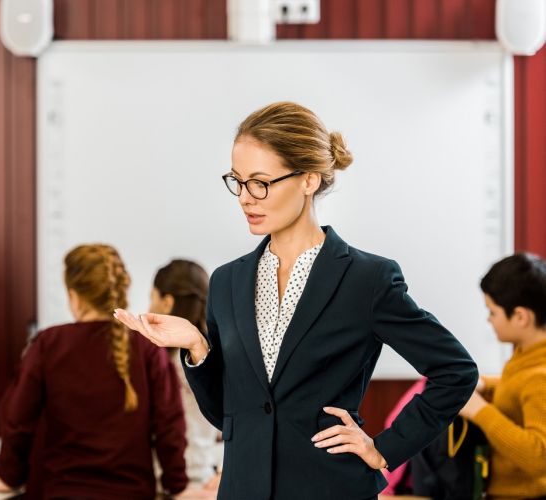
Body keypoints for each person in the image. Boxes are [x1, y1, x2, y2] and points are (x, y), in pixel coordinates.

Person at [114, 101, 478, 499]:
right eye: (238, 181)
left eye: (261, 182)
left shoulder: (366, 279)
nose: (245, 198)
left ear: (309, 180)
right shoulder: (226, 283)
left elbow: (455, 371)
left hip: (331, 487)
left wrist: (384, 450)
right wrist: (197, 347)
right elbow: (228, 416)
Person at [0, 244, 188, 499]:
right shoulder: (148, 348)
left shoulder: (48, 344)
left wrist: (8, 476)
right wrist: (177, 486)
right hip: (131, 493)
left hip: (58, 492)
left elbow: (18, 419)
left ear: (74, 295)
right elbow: (169, 425)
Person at [459, 253, 546, 499]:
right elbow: (519, 386)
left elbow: (540, 457)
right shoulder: (527, 357)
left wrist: (479, 412)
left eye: (492, 311)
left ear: (520, 316)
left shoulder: (539, 378)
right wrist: (487, 384)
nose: (489, 319)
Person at [149, 259, 222, 488]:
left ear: (167, 302)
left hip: (168, 481)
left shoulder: (161, 362)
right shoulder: (212, 355)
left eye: (152, 298)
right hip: (203, 477)